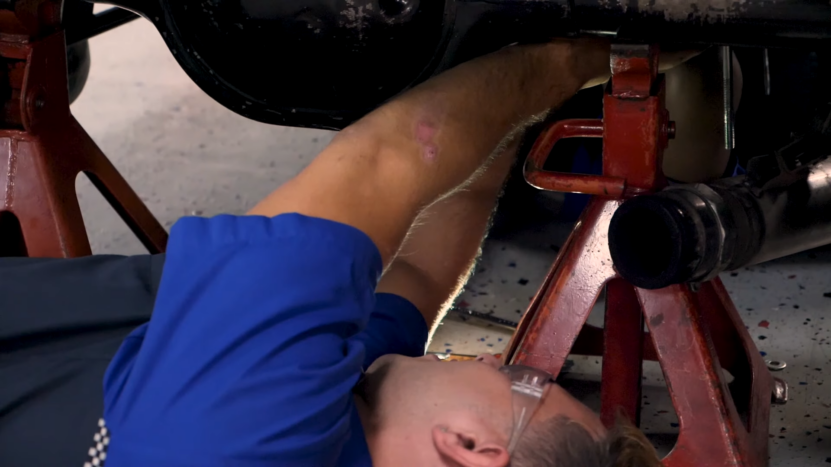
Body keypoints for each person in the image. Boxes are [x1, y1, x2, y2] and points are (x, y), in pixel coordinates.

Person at [0, 39, 665, 467]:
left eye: (524, 381)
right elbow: (421, 272)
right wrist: (511, 116)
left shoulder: (242, 441)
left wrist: (574, 54)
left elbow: (389, 160)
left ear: (469, 446)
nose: (498, 357)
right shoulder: (354, 416)